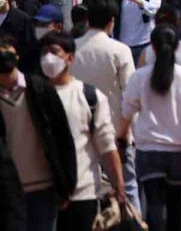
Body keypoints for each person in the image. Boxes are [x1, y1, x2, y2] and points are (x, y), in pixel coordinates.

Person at [120, 25, 181, 231]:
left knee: (154, 203)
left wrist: (121, 135)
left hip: (148, 149)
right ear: (178, 47)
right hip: (180, 150)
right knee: (175, 204)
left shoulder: (139, 76)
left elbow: (126, 111)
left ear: (152, 46)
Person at [40, 31, 127, 231]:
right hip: (42, 194)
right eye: (43, 52)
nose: (47, 58)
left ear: (70, 58)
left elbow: (106, 146)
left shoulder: (89, 97)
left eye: (54, 52)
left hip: (83, 192)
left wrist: (119, 184)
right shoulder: (34, 96)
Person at [0, 31, 80, 228]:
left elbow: (62, 137)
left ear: (17, 57)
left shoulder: (39, 89)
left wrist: (67, 184)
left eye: (8, 55)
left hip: (42, 187)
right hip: (6, 192)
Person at [73, 0, 139, 208]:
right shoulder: (120, 51)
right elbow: (130, 94)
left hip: (79, 130)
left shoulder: (71, 49)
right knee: (128, 187)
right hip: (116, 131)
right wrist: (128, 132)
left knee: (87, 189)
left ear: (86, 18)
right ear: (112, 22)